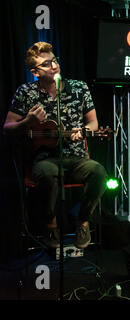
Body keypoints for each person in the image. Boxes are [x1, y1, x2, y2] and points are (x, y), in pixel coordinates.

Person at [3, 42, 107, 249]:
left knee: (99, 172)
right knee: (48, 173)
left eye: (55, 60)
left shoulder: (79, 88)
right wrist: (27, 122)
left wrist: (84, 131)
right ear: (35, 72)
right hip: (44, 160)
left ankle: (83, 220)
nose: (54, 65)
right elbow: (7, 127)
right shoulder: (25, 92)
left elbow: (93, 123)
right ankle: (50, 223)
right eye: (46, 63)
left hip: (76, 157)